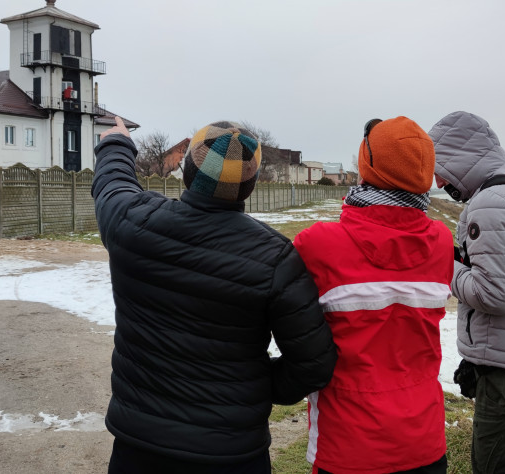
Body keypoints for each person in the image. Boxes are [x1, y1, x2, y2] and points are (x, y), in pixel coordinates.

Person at [92, 117, 338, 473]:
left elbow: (112, 185)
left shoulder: (133, 221)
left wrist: (116, 143)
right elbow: (313, 364)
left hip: (139, 446)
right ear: (249, 186)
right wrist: (258, 386)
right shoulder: (275, 258)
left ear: (189, 172)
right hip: (233, 452)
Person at [293, 116, 454, 474]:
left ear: (367, 165)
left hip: (349, 445)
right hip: (424, 440)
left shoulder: (318, 245)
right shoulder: (442, 242)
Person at [428, 111, 505, 474]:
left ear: (458, 157)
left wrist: (445, 267)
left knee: (497, 466)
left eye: (440, 168)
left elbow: (493, 294)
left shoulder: (492, 202)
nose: (438, 182)